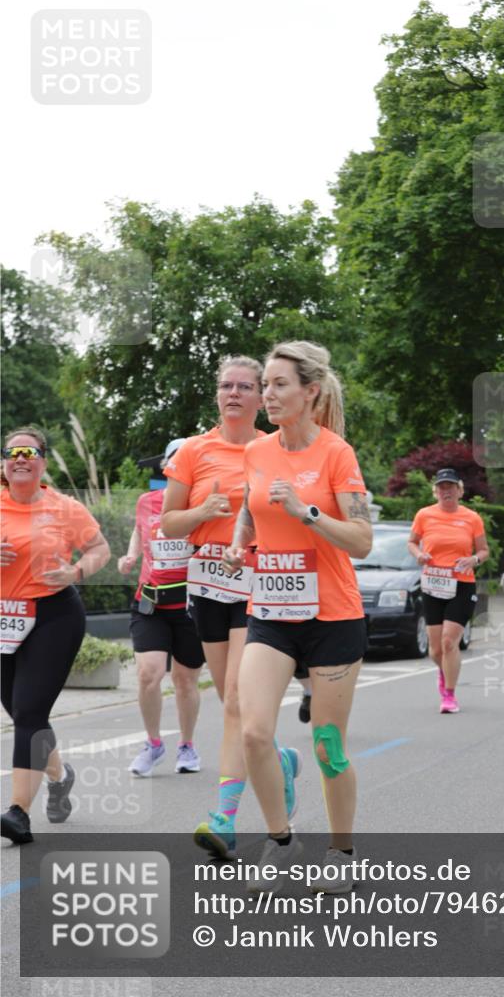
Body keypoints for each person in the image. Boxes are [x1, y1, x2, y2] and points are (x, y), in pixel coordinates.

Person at [224, 340, 372, 893]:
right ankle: (282, 840)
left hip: (332, 616)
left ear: (310, 392)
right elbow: (249, 507)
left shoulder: (337, 454)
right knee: (255, 732)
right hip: (271, 613)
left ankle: (342, 851)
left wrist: (306, 513)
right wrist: (242, 542)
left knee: (328, 745)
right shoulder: (257, 453)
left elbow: (360, 540)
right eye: (265, 384)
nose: (268, 394)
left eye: (279, 384)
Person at [160, 355, 300, 858]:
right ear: (216, 394)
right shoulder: (195, 451)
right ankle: (279, 760)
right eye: (226, 386)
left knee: (239, 702)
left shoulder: (273, 449)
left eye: (246, 386)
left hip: (259, 586)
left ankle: (224, 816)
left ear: (261, 394)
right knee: (230, 703)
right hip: (207, 587)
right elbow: (169, 524)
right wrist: (203, 511)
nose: (235, 393)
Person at [1, 427, 110, 844]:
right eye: (12, 452)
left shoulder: (64, 508)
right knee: (20, 710)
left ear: (43, 461)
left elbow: (100, 549)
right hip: (5, 619)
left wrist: (77, 571)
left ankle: (17, 813)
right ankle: (60, 776)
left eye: (29, 451)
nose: (20, 458)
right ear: (4, 464)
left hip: (53, 616)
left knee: (28, 711)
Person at [118, 439, 205, 776]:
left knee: (185, 680)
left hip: (190, 606)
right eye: (175, 462)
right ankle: (153, 744)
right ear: (167, 468)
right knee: (148, 674)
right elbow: (141, 533)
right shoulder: (147, 501)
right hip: (150, 602)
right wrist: (131, 555)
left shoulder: (201, 505)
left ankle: (187, 745)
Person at [408, 469, 489, 714]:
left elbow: (484, 550)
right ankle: (444, 671)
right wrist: (419, 554)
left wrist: (473, 559)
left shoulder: (472, 518)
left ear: (460, 491)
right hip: (433, 582)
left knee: (449, 641)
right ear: (436, 491)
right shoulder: (424, 515)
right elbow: (411, 542)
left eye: (451, 487)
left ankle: (449, 695)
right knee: (435, 649)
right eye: (442, 487)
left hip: (461, 584)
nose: (447, 491)